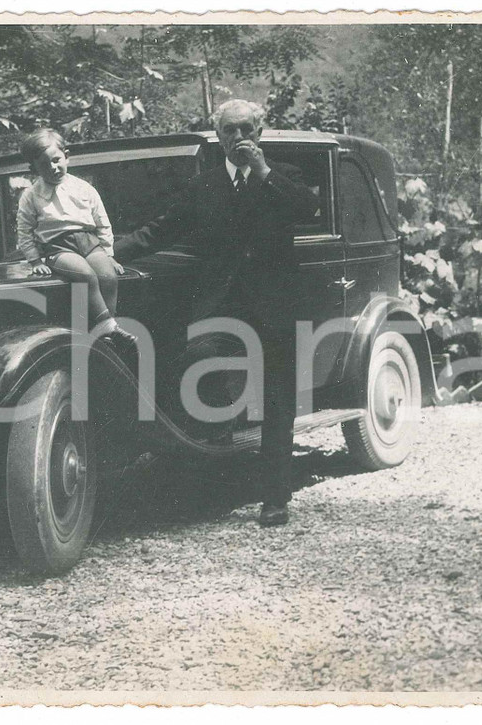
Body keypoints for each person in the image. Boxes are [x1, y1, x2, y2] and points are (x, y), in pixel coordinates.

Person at [116, 99, 318, 527]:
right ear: (218, 137)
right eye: (230, 131)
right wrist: (107, 251)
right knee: (191, 365)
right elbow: (160, 230)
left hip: (275, 304)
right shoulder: (204, 186)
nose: (239, 138)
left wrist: (264, 172)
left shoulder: (284, 177)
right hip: (220, 305)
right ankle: (206, 472)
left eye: (246, 129)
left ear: (259, 133)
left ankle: (274, 498)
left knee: (278, 399)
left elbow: (305, 208)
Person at [16, 128, 137, 350]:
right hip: (58, 248)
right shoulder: (31, 195)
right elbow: (24, 230)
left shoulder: (83, 188)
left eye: (56, 160)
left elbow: (102, 221)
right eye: (44, 165)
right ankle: (110, 327)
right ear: (34, 169)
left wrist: (109, 254)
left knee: (108, 276)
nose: (53, 168)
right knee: (85, 275)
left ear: (67, 156)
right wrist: (34, 260)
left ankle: (105, 333)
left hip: (89, 241)